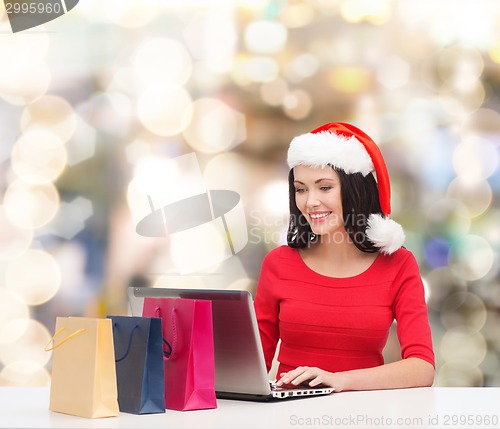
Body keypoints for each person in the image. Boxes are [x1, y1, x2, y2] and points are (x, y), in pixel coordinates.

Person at [254, 122, 435, 392]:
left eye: (324, 187)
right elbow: (252, 364)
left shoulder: (398, 265)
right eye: (301, 189)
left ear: (355, 190)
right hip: (289, 414)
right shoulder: (278, 263)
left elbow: (422, 367)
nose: (310, 201)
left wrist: (339, 381)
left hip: (363, 414)